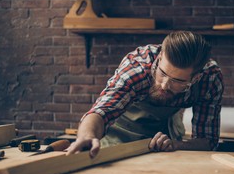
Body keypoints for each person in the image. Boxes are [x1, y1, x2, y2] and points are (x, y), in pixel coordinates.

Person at [67, 31, 224, 158]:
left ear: (195, 78)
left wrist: (176, 145)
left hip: (163, 136)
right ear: (160, 57)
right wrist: (87, 136)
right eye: (162, 73)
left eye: (177, 81)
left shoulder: (210, 79)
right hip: (119, 134)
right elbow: (101, 111)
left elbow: (207, 141)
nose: (164, 85)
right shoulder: (137, 68)